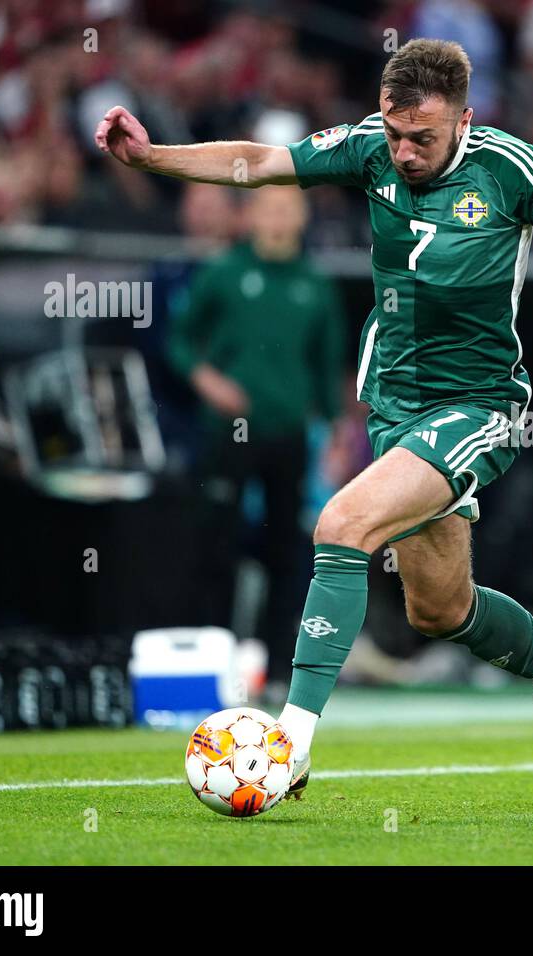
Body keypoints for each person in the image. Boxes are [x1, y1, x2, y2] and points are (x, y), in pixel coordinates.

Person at [96, 38, 533, 794]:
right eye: (394, 132)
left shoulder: (514, 169)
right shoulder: (370, 146)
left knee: (341, 526)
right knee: (441, 610)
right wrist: (151, 159)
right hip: (394, 399)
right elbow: (258, 162)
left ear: (465, 119)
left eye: (422, 138)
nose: (403, 151)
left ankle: (290, 744)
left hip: (478, 403)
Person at [168, 185, 346, 684]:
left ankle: (275, 669)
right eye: (267, 209)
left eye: (287, 209)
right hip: (228, 432)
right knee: (216, 544)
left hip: (288, 433)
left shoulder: (314, 283)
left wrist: (333, 430)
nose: (276, 219)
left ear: (302, 217)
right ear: (250, 216)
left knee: (286, 552)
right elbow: (181, 339)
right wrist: (208, 381)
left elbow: (326, 363)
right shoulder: (224, 272)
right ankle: (211, 662)